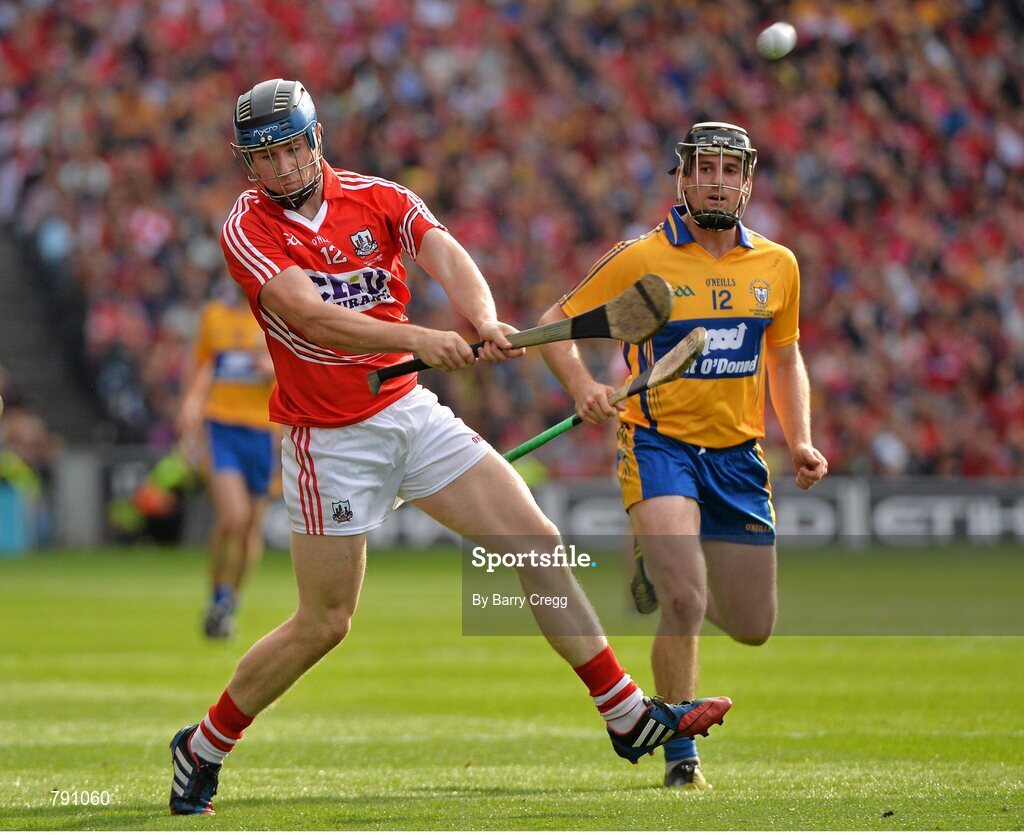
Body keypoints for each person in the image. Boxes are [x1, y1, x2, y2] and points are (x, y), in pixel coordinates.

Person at [166, 79, 732, 815]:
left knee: (535, 539)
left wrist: (483, 317)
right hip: (329, 439)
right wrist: (423, 338)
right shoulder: (248, 226)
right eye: (263, 157)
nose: (278, 168)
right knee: (325, 622)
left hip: (409, 414)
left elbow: (447, 254)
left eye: (288, 149)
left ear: (315, 140)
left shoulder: (380, 198)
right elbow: (310, 316)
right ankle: (202, 746)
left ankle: (625, 715)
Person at [538, 122, 828, 790]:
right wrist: (585, 386)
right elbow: (558, 323)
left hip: (739, 457)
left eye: (730, 170)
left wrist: (802, 437)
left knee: (754, 625)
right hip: (657, 442)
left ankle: (653, 559)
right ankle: (680, 755)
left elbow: (784, 357)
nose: (715, 181)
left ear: (749, 182)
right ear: (682, 177)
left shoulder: (777, 265)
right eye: (703, 168)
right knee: (686, 597)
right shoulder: (641, 259)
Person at [177, 283, 277, 639]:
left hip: (263, 430)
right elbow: (200, 368)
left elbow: (296, 369)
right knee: (233, 517)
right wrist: (190, 407)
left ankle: (229, 604)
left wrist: (274, 368)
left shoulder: (273, 317)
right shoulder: (213, 316)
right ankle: (217, 594)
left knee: (251, 527)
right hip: (220, 426)